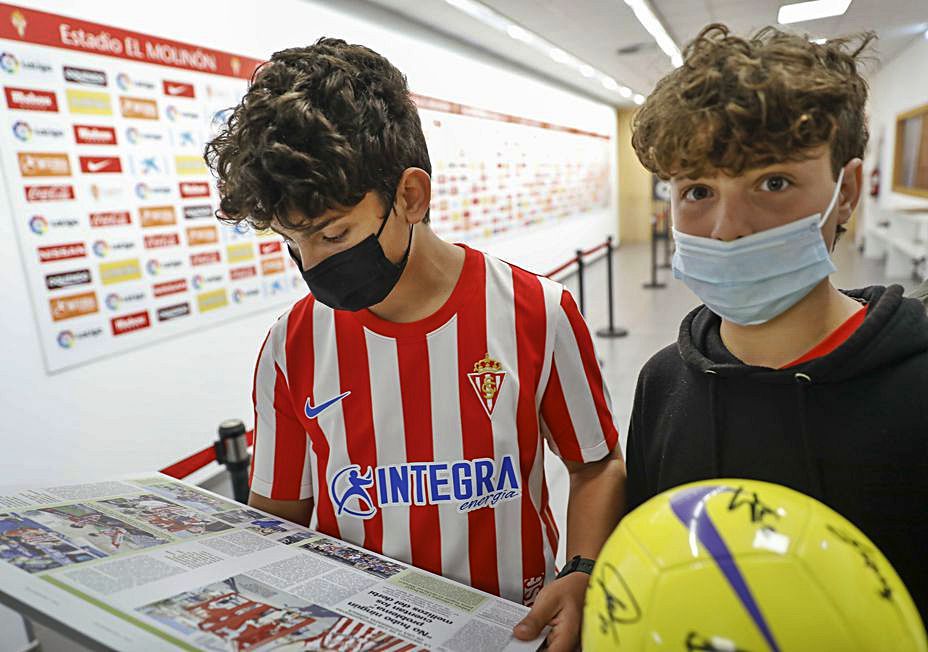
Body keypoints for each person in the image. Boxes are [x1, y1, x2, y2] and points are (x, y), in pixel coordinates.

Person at [205, 38, 626, 649]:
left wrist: (584, 570)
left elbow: (595, 465)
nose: (313, 263)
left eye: (333, 233)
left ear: (410, 196)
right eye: (293, 242)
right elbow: (280, 515)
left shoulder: (538, 311)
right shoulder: (291, 344)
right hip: (353, 634)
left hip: (512, 627)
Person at [625, 24, 928, 618]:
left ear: (847, 193)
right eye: (697, 191)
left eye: (774, 181)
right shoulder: (663, 384)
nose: (727, 227)